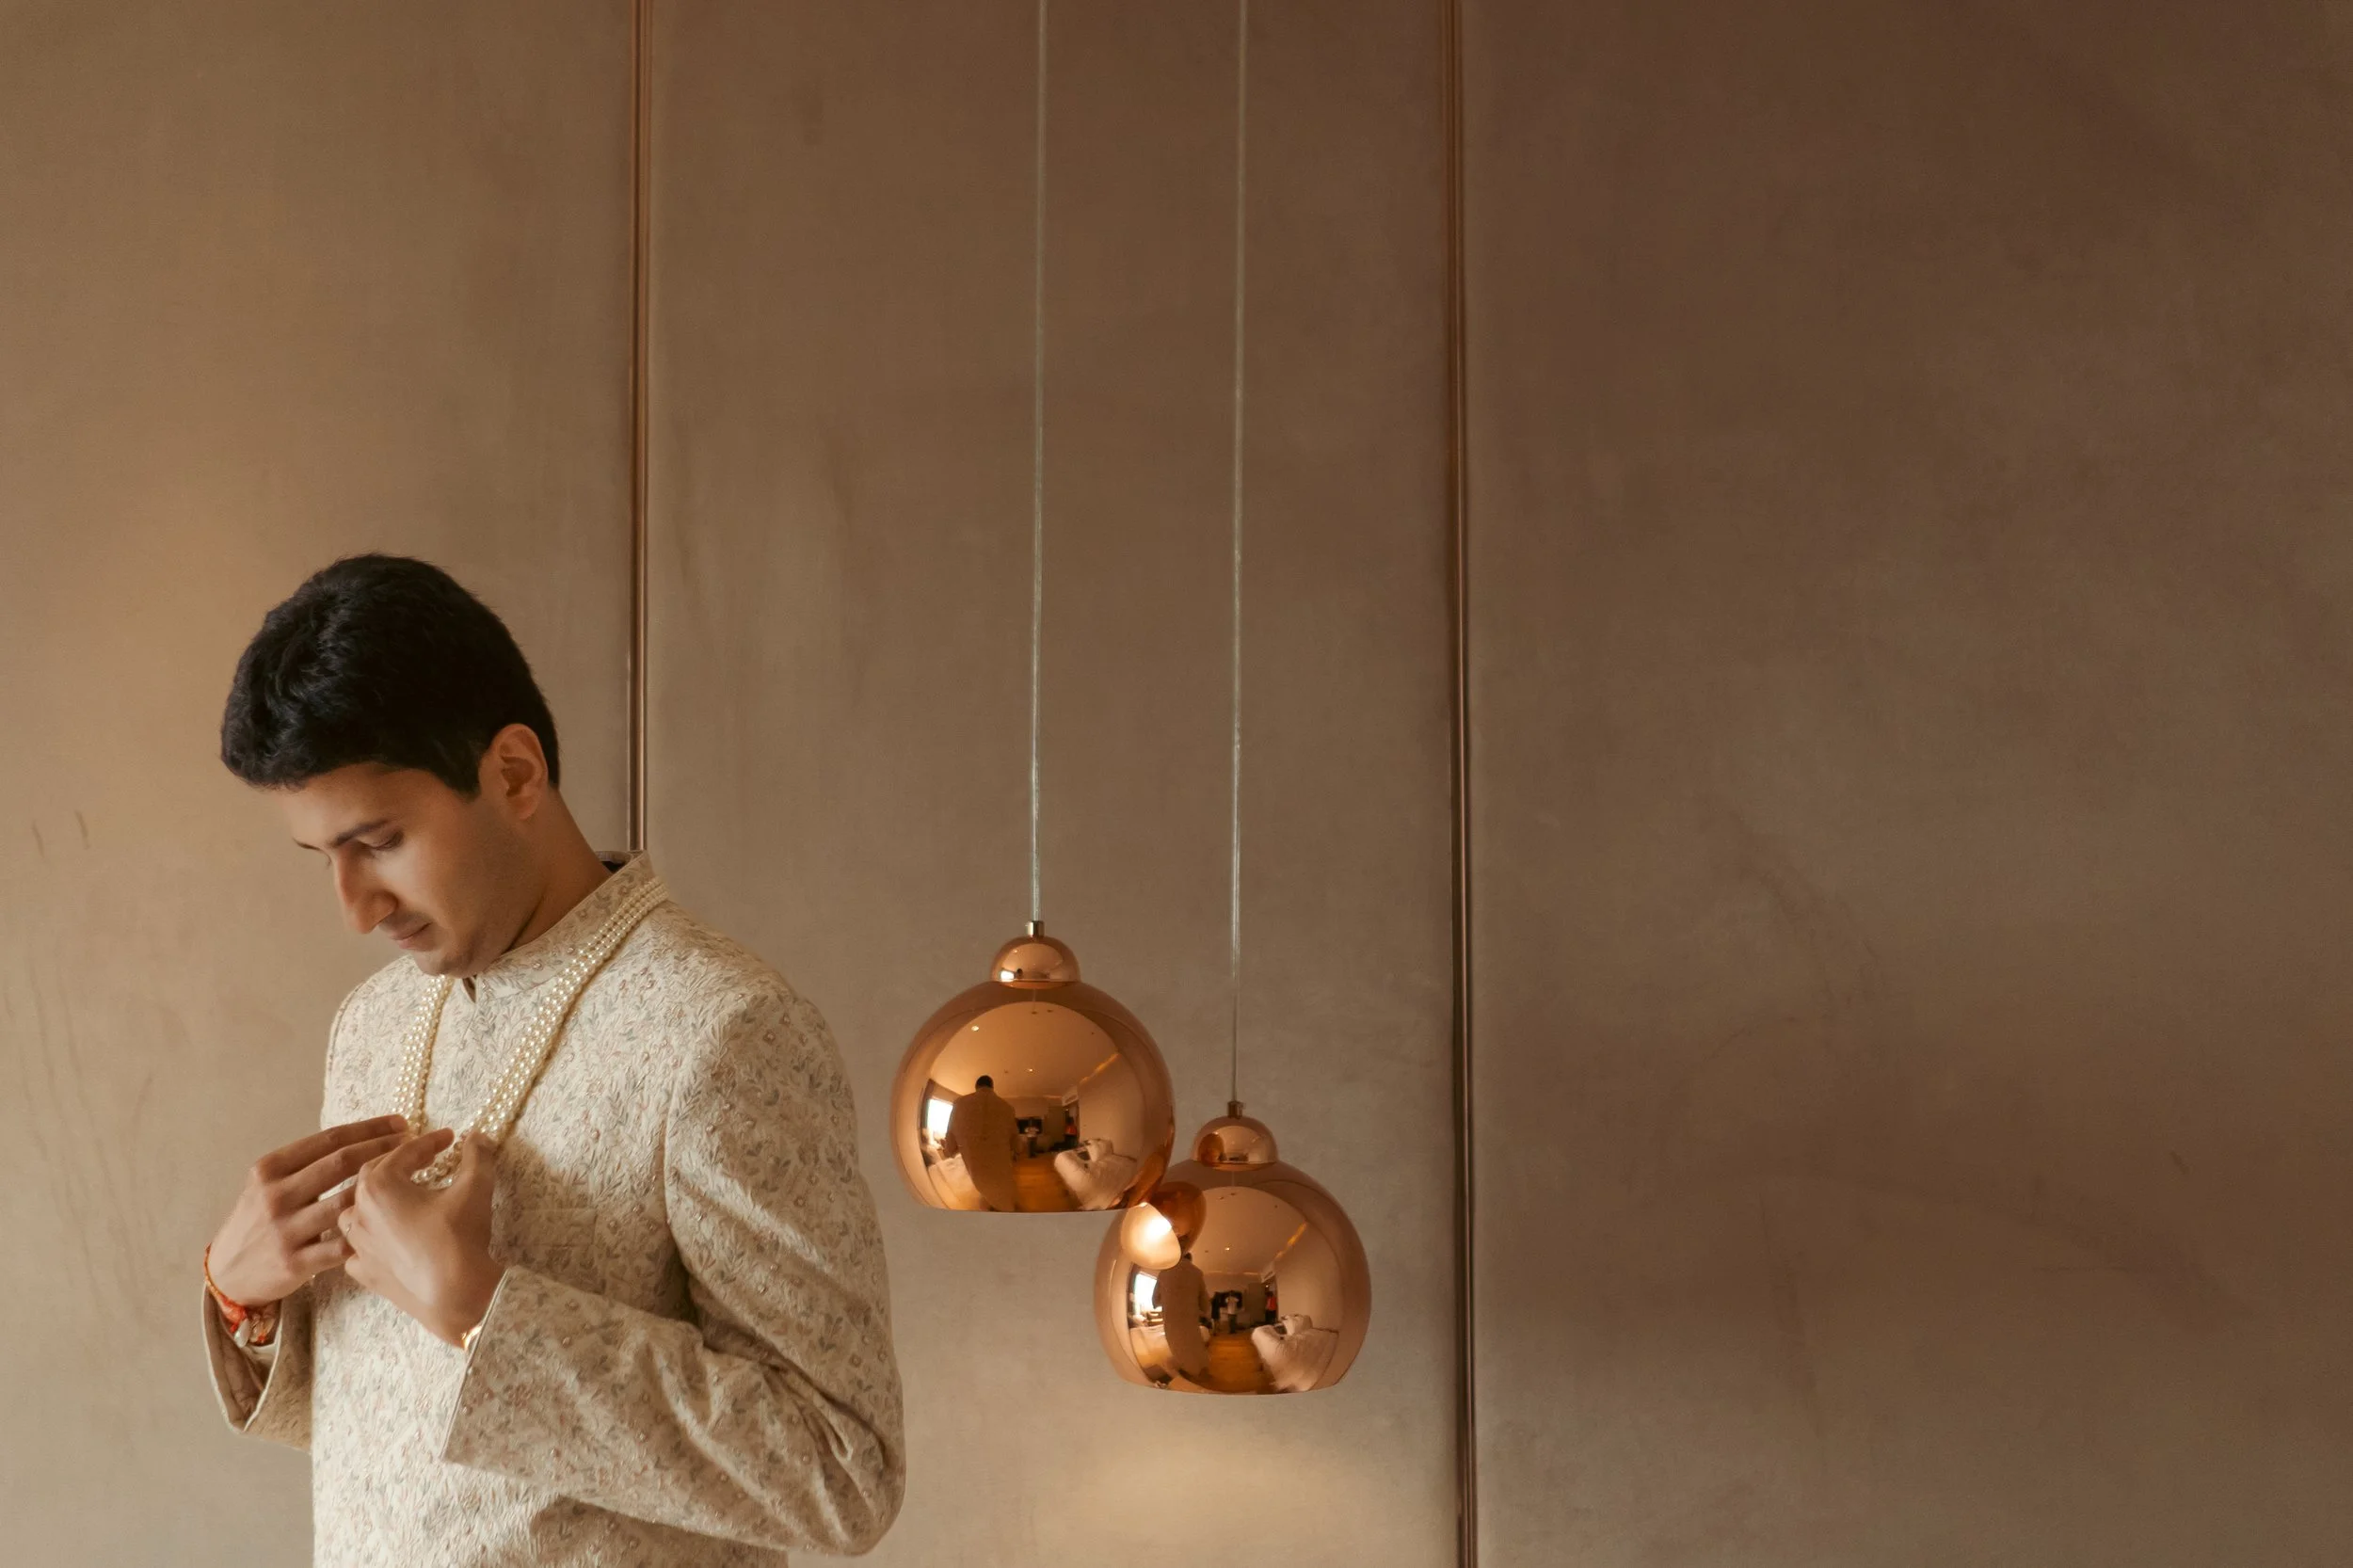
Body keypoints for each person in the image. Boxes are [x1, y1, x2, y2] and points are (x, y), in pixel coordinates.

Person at [198, 555, 903, 1565]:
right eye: (324, 859)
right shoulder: (374, 1022)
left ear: (515, 773)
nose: (354, 909)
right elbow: (399, 1434)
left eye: (382, 841)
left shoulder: (721, 1029)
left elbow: (843, 1471)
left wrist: (485, 1310)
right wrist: (242, 1297)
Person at [939, 1073, 1022, 1211]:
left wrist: (948, 1147)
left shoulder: (959, 1104)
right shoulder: (1007, 1107)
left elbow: (950, 1149)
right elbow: (1018, 1147)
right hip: (1002, 1174)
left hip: (976, 1174)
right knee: (1005, 1204)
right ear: (992, 1087)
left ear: (976, 1087)